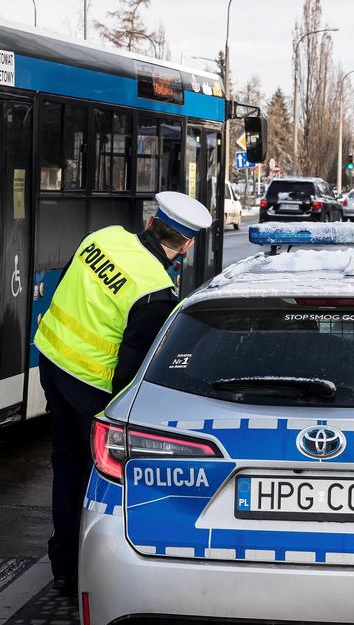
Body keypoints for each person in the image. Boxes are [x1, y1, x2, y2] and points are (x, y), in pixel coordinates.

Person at [34, 191, 211, 596]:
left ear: (151, 223)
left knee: (66, 466)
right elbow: (131, 375)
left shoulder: (103, 238)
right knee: (97, 482)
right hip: (92, 390)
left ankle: (63, 565)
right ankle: (84, 572)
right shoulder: (155, 291)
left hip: (51, 362)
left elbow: (64, 288)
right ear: (186, 244)